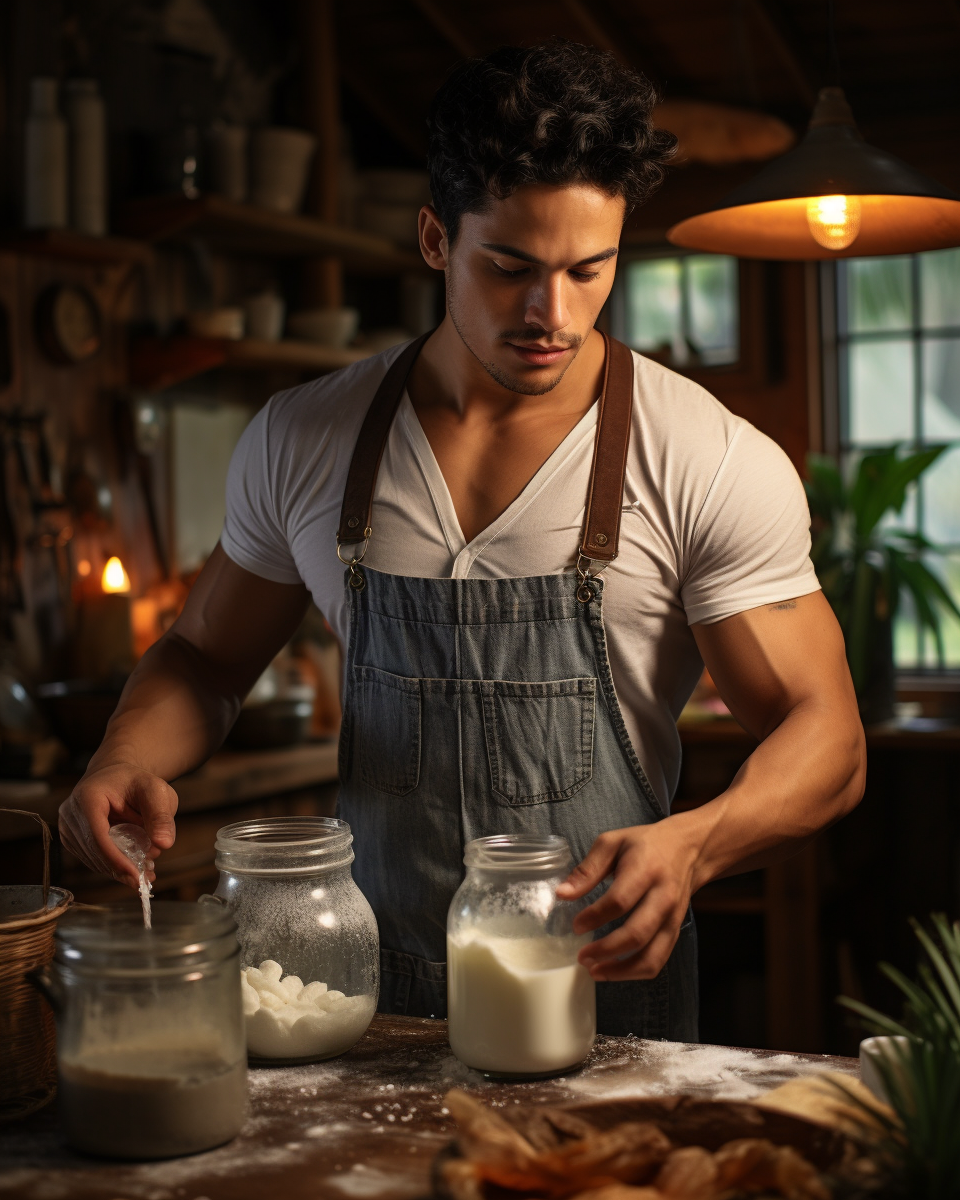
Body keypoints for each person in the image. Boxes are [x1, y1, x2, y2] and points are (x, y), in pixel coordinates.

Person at [59, 40, 865, 1038]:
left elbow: (827, 737)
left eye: (588, 270)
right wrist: (120, 758)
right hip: (362, 1010)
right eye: (511, 267)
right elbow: (204, 657)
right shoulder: (304, 440)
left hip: (603, 1004)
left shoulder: (703, 455)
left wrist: (695, 846)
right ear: (437, 239)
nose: (551, 314)